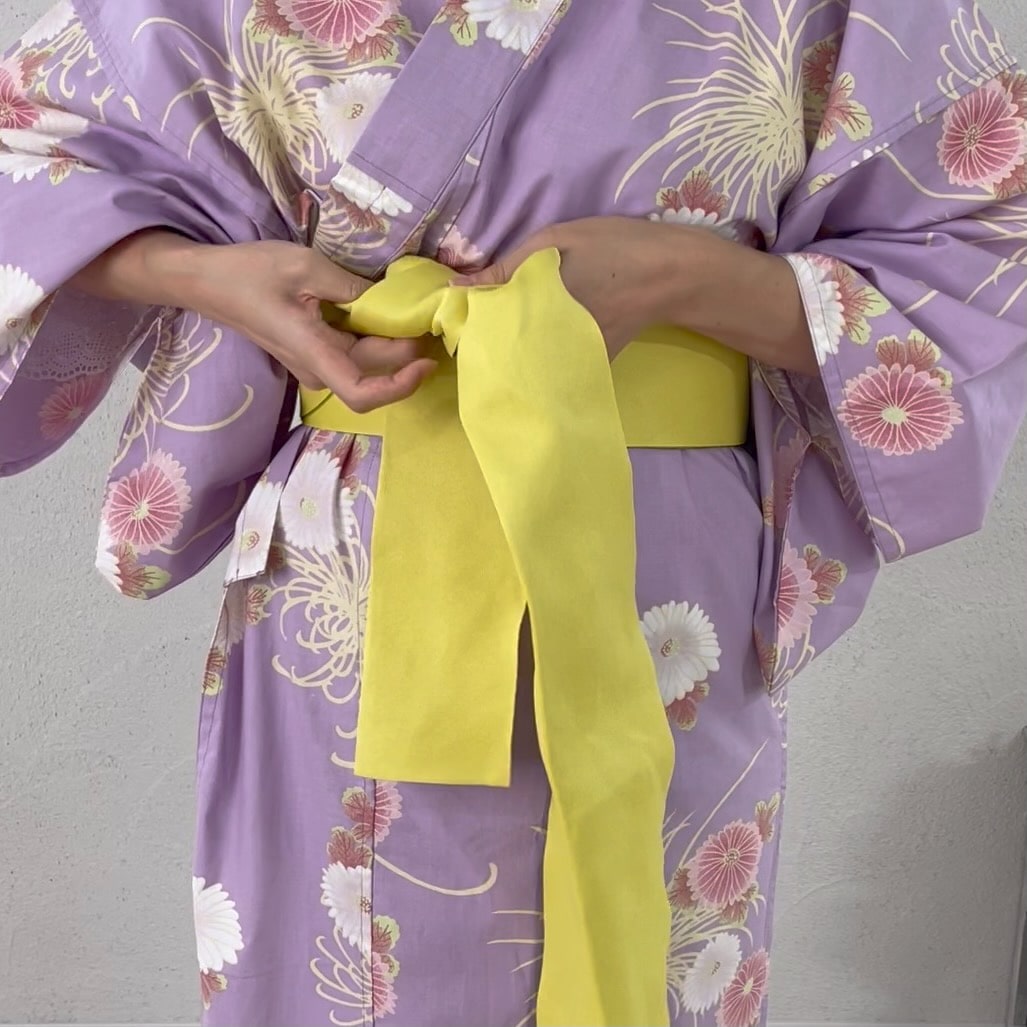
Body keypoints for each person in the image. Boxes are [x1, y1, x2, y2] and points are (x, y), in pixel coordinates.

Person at [1, 0, 1024, 1024]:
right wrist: (209, 277)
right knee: (341, 966)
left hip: (660, 590)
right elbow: (28, 153)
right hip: (352, 582)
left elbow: (986, 245)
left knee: (655, 945)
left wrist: (679, 274)